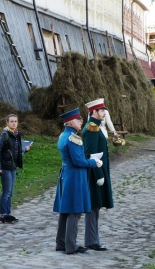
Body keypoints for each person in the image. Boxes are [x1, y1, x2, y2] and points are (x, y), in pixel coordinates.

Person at [53, 108, 103, 255]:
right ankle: (71, 245)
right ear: (71, 122)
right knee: (74, 210)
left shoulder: (63, 136)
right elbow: (79, 161)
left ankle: (61, 243)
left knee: (65, 210)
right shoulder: (73, 138)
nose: (81, 122)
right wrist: (94, 162)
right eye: (78, 120)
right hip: (75, 176)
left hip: (66, 174)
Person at [82, 98, 114, 251]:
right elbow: (91, 153)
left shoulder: (96, 126)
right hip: (95, 173)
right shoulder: (91, 128)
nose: (104, 113)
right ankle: (91, 241)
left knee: (96, 206)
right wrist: (98, 173)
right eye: (101, 110)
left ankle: (92, 239)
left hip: (99, 171)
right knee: (93, 206)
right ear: (94, 112)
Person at [0, 114, 31, 223]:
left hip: (13, 167)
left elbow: (15, 151)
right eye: (12, 121)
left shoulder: (16, 135)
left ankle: (8, 213)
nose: (14, 123)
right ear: (7, 123)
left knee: (10, 192)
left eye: (15, 121)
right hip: (5, 167)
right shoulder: (5, 135)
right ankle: (3, 214)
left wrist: (25, 149)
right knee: (6, 191)